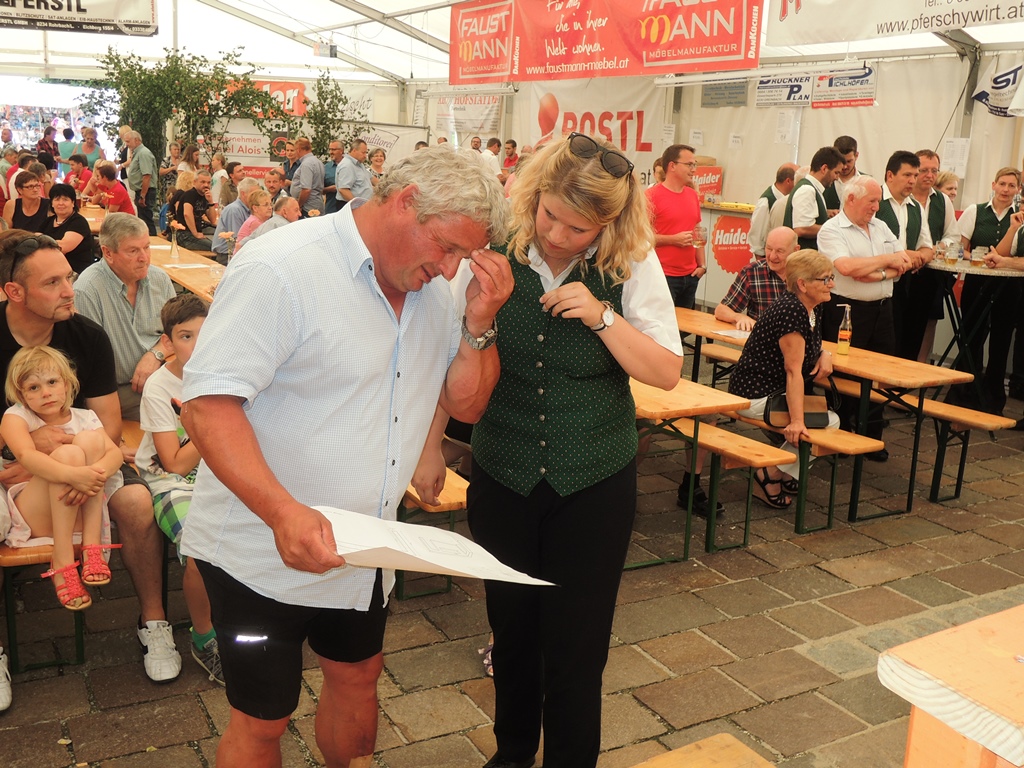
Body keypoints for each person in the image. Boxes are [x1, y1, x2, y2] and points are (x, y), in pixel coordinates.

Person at [177, 145, 512, 767]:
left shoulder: (436, 288)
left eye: (465, 256)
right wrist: (283, 512)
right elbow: (207, 407)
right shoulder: (282, 266)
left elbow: (466, 403)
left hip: (365, 544)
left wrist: (479, 322)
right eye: (447, 247)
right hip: (259, 548)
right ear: (405, 202)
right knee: (263, 717)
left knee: (359, 676)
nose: (450, 269)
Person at [437, 134, 683, 768]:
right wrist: (430, 444)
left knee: (577, 646)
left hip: (594, 481)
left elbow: (665, 372)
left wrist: (604, 318)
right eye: (549, 215)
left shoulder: (632, 262)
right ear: (534, 195)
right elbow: (444, 353)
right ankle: (512, 754)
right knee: (512, 630)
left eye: (579, 229)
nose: (556, 235)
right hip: (503, 469)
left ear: (610, 224)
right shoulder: (494, 250)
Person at [0, 230, 181, 682]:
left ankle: (154, 622)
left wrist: (79, 467)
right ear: (15, 292)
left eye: (69, 277)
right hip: (13, 466)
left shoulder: (86, 335)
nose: (70, 290)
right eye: (53, 283)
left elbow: (109, 426)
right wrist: (23, 453)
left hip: (86, 457)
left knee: (138, 503)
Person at [136, 294, 223, 684]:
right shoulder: (160, 386)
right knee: (199, 541)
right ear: (167, 342)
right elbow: (174, 462)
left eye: (205, 334)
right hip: (170, 480)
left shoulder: (228, 372)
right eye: (186, 336)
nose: (198, 345)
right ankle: (204, 637)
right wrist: (215, 426)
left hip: (220, 471)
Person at [0, 345, 124, 610]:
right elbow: (26, 455)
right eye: (33, 387)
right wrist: (74, 474)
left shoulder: (85, 417)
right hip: (36, 514)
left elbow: (115, 455)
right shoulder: (16, 417)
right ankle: (63, 557)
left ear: (67, 384)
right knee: (69, 454)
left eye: (52, 382)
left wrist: (89, 476)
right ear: (21, 395)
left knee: (90, 441)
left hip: (80, 512)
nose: (45, 393)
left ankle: (92, 543)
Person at [727, 250, 839, 502]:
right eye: (825, 279)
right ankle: (771, 473)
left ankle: (784, 473)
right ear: (802, 284)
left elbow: (809, 344)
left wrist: (825, 353)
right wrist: (797, 421)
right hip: (755, 394)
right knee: (830, 423)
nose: (831, 284)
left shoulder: (810, 307)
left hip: (773, 391)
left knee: (825, 420)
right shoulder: (792, 311)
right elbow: (793, 371)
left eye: (831, 278)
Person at [818, 176, 913, 460]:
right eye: (871, 201)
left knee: (880, 373)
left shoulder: (880, 226)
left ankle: (872, 437)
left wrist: (874, 274)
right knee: (843, 373)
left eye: (878, 201)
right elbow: (847, 267)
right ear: (851, 199)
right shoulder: (831, 230)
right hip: (847, 310)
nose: (876, 207)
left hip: (883, 309)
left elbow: (905, 261)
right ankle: (839, 436)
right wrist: (886, 261)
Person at [74, 213, 177, 421]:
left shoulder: (160, 279)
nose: (144, 258)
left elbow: (180, 333)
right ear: (108, 253)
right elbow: (90, 369)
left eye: (147, 247)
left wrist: (156, 354)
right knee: (186, 416)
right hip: (115, 391)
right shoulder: (87, 291)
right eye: (133, 251)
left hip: (162, 376)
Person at [955, 167, 1023, 414]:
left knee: (1001, 341)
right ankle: (965, 394)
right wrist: (976, 257)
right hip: (977, 280)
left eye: (1011, 186)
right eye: (1002, 184)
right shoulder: (975, 211)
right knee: (971, 336)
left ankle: (993, 400)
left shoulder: (1019, 216)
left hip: (1009, 284)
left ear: (1018, 190)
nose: (1006, 189)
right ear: (993, 185)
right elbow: (958, 247)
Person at [876, 150, 935, 361]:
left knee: (905, 341)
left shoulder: (915, 207)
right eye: (907, 175)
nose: (912, 180)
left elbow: (927, 246)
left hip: (906, 282)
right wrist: (904, 253)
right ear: (890, 175)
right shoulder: (875, 201)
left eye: (915, 175)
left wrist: (919, 257)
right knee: (882, 345)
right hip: (876, 284)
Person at [911, 150, 960, 364]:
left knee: (929, 319)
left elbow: (953, 235)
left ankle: (921, 364)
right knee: (902, 321)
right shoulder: (903, 196)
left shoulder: (942, 201)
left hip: (932, 270)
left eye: (934, 170)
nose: (930, 175)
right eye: (924, 170)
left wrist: (937, 247)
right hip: (904, 268)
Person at [646, 143, 706, 309]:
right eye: (689, 165)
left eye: (694, 165)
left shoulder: (692, 195)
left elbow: (698, 231)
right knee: (663, 322)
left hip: (691, 275)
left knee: (686, 324)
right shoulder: (650, 196)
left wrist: (702, 266)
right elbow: (639, 238)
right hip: (662, 275)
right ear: (672, 166)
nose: (693, 170)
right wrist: (673, 240)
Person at [714, 226, 799, 330]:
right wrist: (739, 317)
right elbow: (721, 310)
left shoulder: (807, 273)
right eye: (769, 249)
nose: (772, 256)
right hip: (763, 337)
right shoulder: (752, 272)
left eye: (780, 251)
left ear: (796, 250)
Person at [784, 146, 844, 251]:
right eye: (836, 172)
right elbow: (802, 228)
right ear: (824, 168)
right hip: (803, 257)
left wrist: (825, 213)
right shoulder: (807, 190)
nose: (837, 178)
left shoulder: (812, 189)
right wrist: (834, 228)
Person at [42, 183, 96, 274]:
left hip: (75, 272)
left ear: (73, 203)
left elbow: (63, 247)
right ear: (52, 203)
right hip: (52, 269)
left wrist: (41, 241)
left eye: (65, 199)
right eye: (57, 199)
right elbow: (35, 237)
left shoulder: (79, 222)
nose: (61, 203)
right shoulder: (48, 221)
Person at [749, 164, 798, 259]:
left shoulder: (790, 200)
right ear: (788, 181)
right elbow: (756, 238)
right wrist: (763, 263)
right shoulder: (766, 202)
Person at [212, 177, 259, 263]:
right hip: (227, 256)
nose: (256, 197)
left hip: (239, 253)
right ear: (243, 194)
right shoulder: (234, 210)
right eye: (254, 194)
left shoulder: (249, 209)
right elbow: (236, 240)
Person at [175, 169, 218, 251]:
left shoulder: (204, 197)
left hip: (195, 234)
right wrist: (195, 234)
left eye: (208, 182)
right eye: (203, 182)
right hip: (184, 234)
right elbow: (187, 214)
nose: (206, 185)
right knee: (215, 248)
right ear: (195, 182)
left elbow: (212, 219)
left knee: (217, 246)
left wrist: (210, 202)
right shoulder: (190, 194)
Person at [126, 131, 158, 236]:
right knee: (143, 220)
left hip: (146, 191)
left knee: (146, 221)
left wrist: (143, 195)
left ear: (136, 140)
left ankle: (152, 240)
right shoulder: (138, 153)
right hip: (141, 191)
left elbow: (147, 175)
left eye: (128, 141)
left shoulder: (144, 153)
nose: (127, 144)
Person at [823, 135, 864, 212]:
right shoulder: (824, 180)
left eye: (849, 161)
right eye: (841, 161)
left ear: (856, 156)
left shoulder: (866, 181)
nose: (844, 166)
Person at [289, 138, 325, 217]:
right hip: (316, 203)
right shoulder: (318, 162)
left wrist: (299, 205)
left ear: (298, 150)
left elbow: (306, 189)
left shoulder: (306, 164)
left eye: (294, 150)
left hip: (308, 207)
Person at [233, 189, 273, 254]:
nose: (270, 208)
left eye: (270, 204)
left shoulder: (258, 221)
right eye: (266, 205)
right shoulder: (254, 222)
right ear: (255, 208)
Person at [336, 139, 372, 208]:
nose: (365, 156)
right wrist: (358, 205)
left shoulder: (358, 164)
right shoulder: (347, 165)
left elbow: (371, 178)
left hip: (361, 206)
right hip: (351, 206)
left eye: (366, 153)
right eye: (363, 152)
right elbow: (343, 190)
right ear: (354, 150)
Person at [323, 141, 344, 214]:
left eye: (334, 149)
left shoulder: (350, 166)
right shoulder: (326, 168)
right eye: (330, 149)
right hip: (331, 210)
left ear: (341, 151)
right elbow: (319, 190)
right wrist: (330, 189)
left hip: (347, 209)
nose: (331, 152)